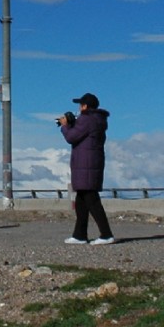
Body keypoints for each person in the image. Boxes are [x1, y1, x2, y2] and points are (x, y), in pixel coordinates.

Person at [60, 93, 115, 245]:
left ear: (85, 106)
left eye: (80, 105)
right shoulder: (98, 120)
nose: (79, 108)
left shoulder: (86, 119)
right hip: (91, 163)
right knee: (81, 199)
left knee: (91, 199)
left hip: (85, 164)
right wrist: (72, 125)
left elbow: (72, 137)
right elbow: (82, 135)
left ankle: (106, 234)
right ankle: (79, 235)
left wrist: (65, 126)